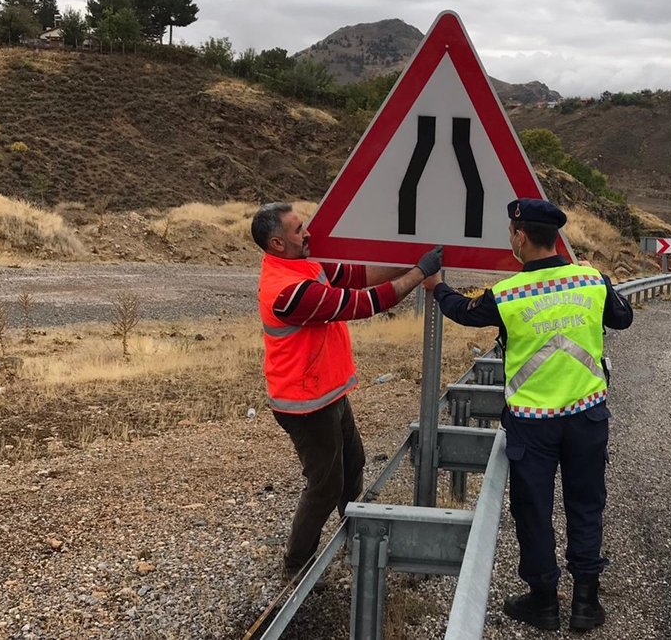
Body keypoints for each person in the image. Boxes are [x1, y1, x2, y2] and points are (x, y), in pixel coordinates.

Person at [425, 198, 633, 632]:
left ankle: (543, 601)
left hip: (532, 425)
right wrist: (602, 281)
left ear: (520, 237)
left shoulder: (507, 295)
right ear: (555, 237)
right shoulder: (591, 280)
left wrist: (437, 285)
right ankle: (585, 603)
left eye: (511, 234)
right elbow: (623, 318)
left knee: (534, 511)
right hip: (587, 417)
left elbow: (461, 311)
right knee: (586, 505)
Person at [250, 201, 442, 583]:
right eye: (298, 229)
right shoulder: (286, 291)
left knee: (354, 463)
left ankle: (354, 536)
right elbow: (364, 302)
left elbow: (359, 275)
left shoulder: (305, 263)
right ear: (277, 243)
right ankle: (296, 567)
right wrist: (420, 271)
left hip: (328, 392)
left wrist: (409, 261)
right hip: (304, 405)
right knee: (325, 485)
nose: (308, 233)